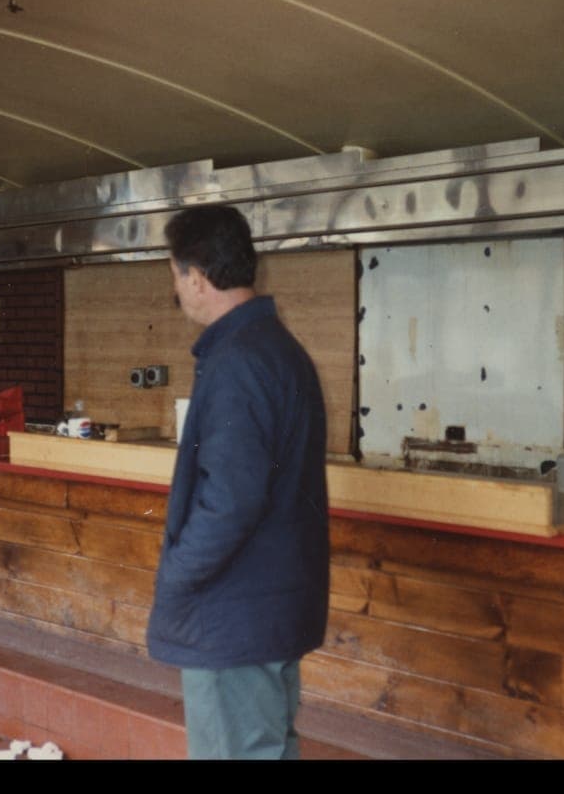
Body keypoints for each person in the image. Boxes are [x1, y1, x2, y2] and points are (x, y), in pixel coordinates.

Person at [145, 204, 330, 760]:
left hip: (233, 618)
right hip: (270, 608)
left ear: (196, 279)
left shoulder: (237, 362)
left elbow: (231, 501)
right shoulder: (279, 350)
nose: (177, 292)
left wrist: (176, 575)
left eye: (176, 278)